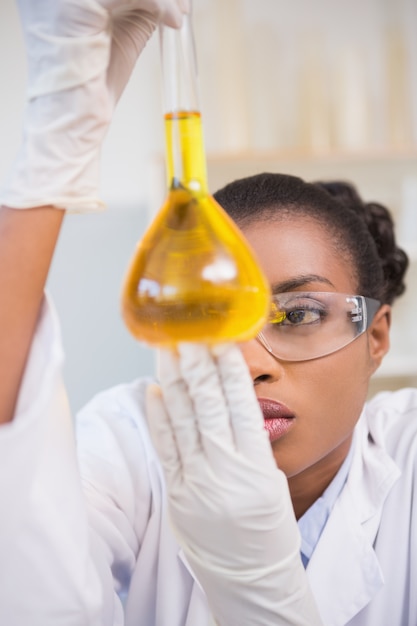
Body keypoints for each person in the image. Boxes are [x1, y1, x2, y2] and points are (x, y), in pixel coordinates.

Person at [0, 2, 415, 626]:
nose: (247, 363)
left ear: (376, 336)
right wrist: (47, 162)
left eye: (298, 314)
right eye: (212, 318)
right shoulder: (133, 442)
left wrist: (257, 587)